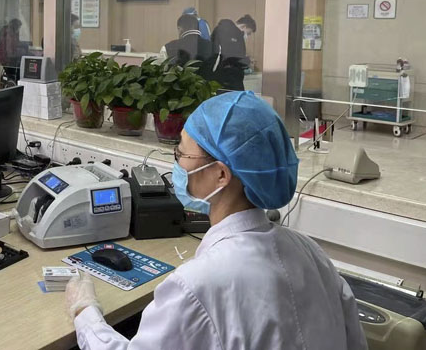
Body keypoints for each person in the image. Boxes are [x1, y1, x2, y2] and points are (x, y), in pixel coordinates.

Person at [65, 91, 367, 350]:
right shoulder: (311, 253)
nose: (177, 164)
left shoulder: (196, 285)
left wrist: (85, 312)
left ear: (221, 174)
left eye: (182, 154)